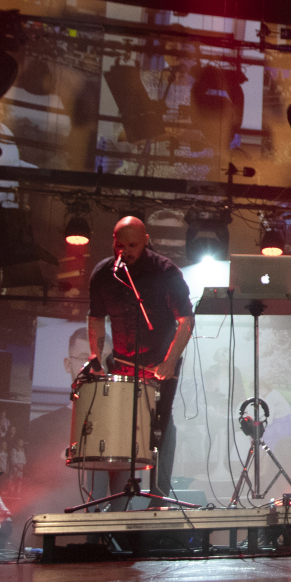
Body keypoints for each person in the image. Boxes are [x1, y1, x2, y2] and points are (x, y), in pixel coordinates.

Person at [87, 216, 193, 504]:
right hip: (122, 364)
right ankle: (116, 502)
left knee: (160, 425)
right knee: (120, 429)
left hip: (158, 366)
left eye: (132, 246)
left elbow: (186, 320)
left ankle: (159, 498)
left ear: (146, 241)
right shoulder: (103, 274)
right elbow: (96, 319)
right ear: (114, 242)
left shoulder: (165, 272)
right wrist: (96, 356)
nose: (125, 252)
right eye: (120, 246)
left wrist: (170, 361)